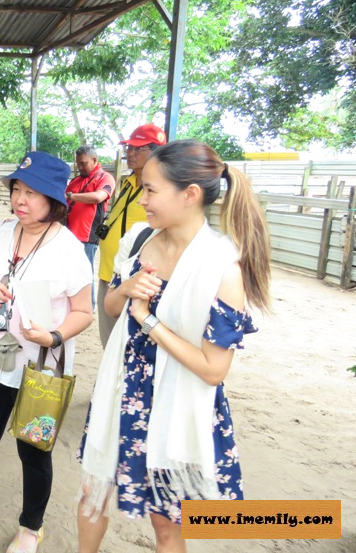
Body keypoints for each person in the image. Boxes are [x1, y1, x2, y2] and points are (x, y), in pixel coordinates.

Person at [77, 140, 271, 553]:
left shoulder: (222, 268)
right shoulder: (138, 238)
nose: (142, 199)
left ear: (190, 194)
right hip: (123, 392)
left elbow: (213, 369)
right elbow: (112, 305)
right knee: (93, 496)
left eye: (150, 190)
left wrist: (148, 319)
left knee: (167, 527)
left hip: (178, 403)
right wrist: (126, 290)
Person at [0, 151, 93, 553]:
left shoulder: (69, 249)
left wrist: (55, 336)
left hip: (40, 365)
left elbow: (84, 312)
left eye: (33, 193)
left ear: (55, 200)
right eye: (17, 190)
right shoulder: (4, 231)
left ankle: (31, 526)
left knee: (33, 447)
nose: (20, 200)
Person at [96, 123, 166, 348]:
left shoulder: (161, 190)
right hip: (109, 273)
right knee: (108, 339)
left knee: (132, 341)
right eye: (129, 148)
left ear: (157, 152)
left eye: (139, 149)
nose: (131, 154)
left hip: (135, 278)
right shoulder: (126, 183)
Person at [65, 145, 115, 309]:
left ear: (95, 160)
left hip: (87, 236)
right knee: (68, 271)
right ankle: (72, 304)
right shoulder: (76, 180)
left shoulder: (105, 178)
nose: (80, 167)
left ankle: (88, 307)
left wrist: (72, 196)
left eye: (83, 163)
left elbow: (98, 197)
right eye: (78, 163)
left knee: (85, 273)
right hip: (68, 234)